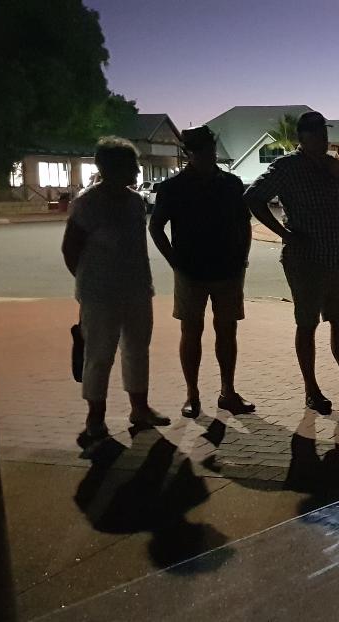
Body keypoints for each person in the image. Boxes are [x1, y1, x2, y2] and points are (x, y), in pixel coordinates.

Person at [244, 110, 339, 413]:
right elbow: (253, 197)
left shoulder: (332, 166)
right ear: (301, 138)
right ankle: (312, 390)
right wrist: (284, 233)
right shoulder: (287, 167)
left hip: (334, 258)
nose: (323, 138)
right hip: (304, 260)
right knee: (307, 325)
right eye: (316, 133)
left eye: (324, 133)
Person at [62, 137, 169, 451]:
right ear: (110, 168)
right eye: (132, 165)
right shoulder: (87, 203)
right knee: (99, 355)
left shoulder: (136, 202)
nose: (137, 171)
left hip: (136, 289)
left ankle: (140, 408)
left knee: (137, 349)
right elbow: (70, 249)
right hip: (99, 294)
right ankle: (95, 419)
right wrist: (88, 285)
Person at [149, 125, 254, 419]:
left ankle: (227, 391)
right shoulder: (173, 187)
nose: (209, 155)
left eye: (210, 149)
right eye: (202, 151)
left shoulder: (231, 184)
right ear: (189, 154)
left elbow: (244, 224)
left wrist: (242, 258)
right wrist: (175, 262)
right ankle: (192, 395)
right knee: (191, 332)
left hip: (228, 270)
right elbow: (155, 227)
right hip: (191, 271)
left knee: (227, 332)